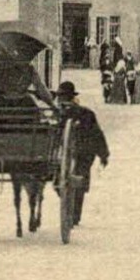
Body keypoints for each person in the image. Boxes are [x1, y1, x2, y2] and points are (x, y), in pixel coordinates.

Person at [54, 81, 110, 224]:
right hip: (84, 153)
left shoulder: (58, 114)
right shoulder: (86, 113)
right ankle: (74, 215)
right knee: (79, 182)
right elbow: (97, 134)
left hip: (70, 154)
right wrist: (104, 155)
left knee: (63, 181)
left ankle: (69, 209)